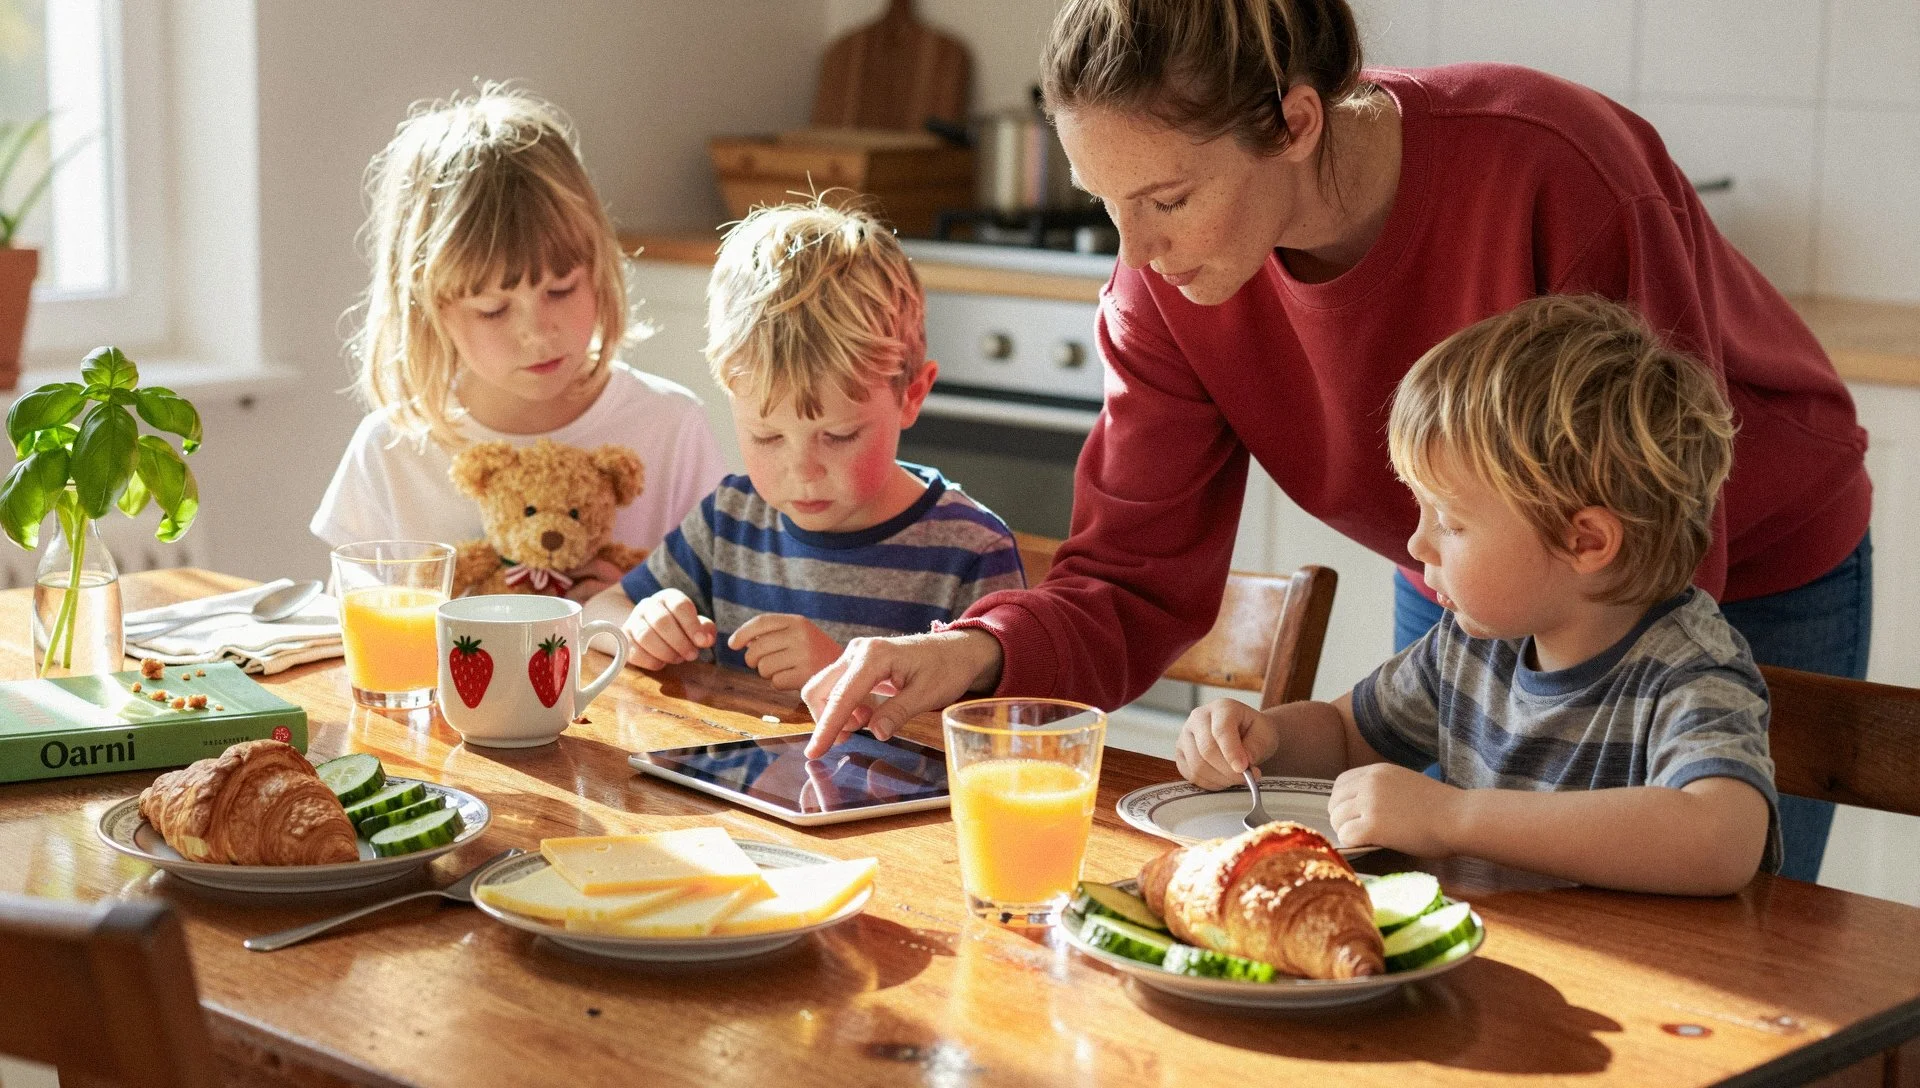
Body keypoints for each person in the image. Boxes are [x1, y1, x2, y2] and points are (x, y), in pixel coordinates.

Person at [800, 0, 1869, 884]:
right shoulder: (1163, 286)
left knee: (1699, 958)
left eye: (1168, 197)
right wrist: (971, 651)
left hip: (1729, 557)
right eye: (1105, 203)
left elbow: (1661, 531)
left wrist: (1485, 811)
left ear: (1299, 121)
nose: (1134, 251)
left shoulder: (1554, 168)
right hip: (1474, 570)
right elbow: (1128, 579)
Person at [1180, 296, 1779, 894]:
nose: (1417, 543)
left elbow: (1719, 839)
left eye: (1451, 521)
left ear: (1585, 541)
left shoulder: (1690, 669)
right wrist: (1263, 739)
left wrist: (1453, 819)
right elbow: (1343, 735)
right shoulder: (1472, 647)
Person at [587, 201, 1025, 691]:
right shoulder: (730, 519)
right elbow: (597, 611)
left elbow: (992, 736)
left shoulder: (970, 551)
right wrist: (641, 626)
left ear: (911, 395)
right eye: (767, 436)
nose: (802, 470)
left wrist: (841, 675)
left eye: (837, 436)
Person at [312, 85, 726, 600]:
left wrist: (637, 601)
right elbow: (345, 638)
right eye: (493, 308)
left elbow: (722, 614)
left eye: (561, 289)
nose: (537, 332)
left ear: (598, 267)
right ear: (428, 306)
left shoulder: (670, 428)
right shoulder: (391, 451)